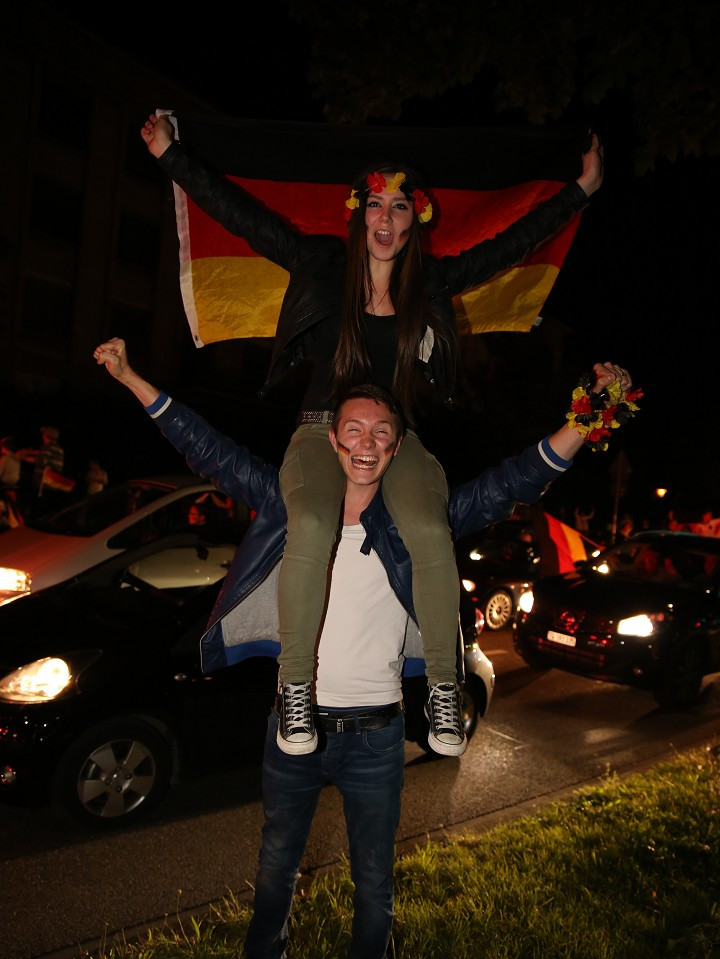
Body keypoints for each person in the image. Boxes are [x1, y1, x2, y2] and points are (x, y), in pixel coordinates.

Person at [94, 337, 633, 959]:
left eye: (383, 432)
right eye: (354, 429)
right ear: (330, 438)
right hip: (295, 725)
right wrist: (131, 375)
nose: (367, 443)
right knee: (276, 861)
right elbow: (206, 446)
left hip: (378, 735)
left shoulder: (419, 523)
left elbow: (513, 481)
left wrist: (588, 416)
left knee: (374, 884)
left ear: (398, 447)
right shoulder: (289, 507)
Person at [140, 112, 605, 760]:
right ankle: (295, 687)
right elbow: (244, 216)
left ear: (417, 219)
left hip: (398, 437)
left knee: (428, 526)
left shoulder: (430, 284)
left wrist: (579, 191)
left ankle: (444, 684)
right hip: (318, 432)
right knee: (310, 522)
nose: (386, 219)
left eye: (400, 208)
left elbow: (508, 247)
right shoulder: (320, 262)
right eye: (377, 206)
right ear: (360, 214)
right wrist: (170, 155)